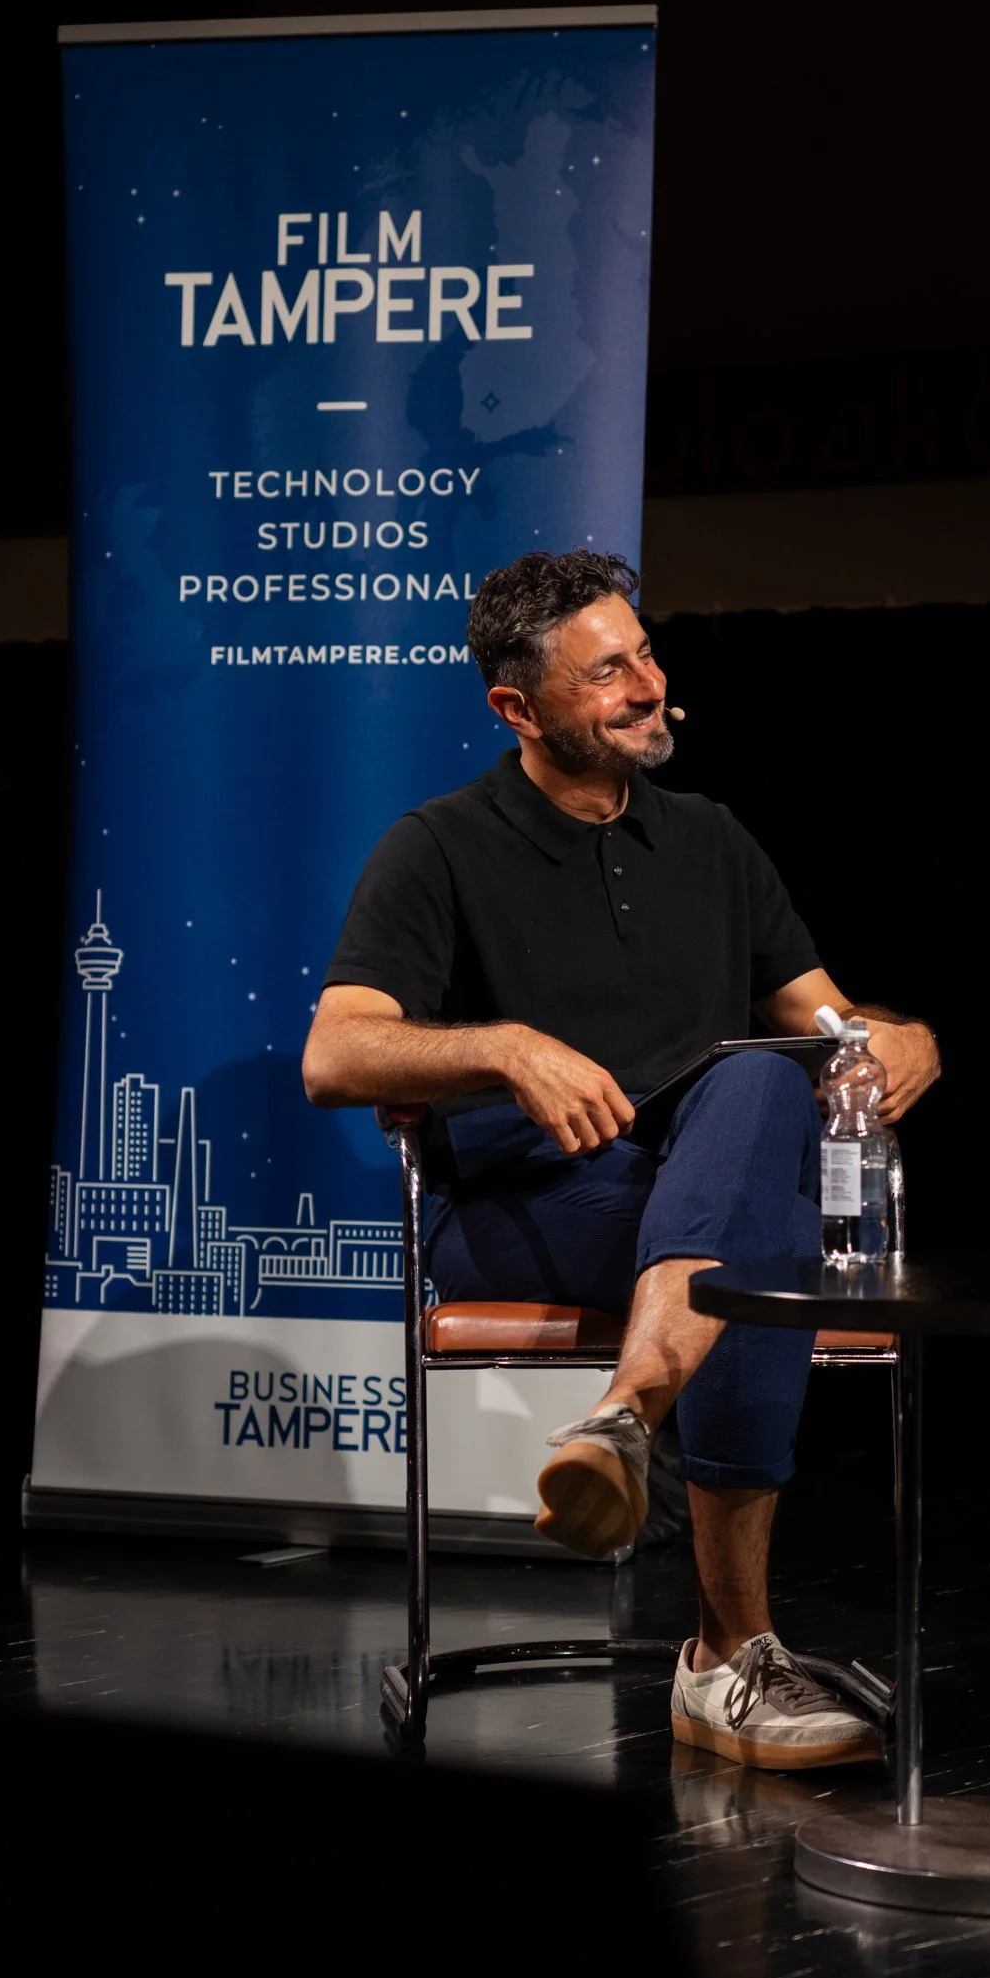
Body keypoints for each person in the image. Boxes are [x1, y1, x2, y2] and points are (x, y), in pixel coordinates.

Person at [303, 548, 940, 1770]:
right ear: (517, 705)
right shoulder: (437, 846)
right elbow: (336, 1054)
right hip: (520, 1209)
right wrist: (505, 1047)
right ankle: (729, 1655)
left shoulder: (712, 839)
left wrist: (903, 1036)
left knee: (763, 1082)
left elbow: (830, 1023)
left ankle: (628, 1411)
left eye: (644, 653)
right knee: (759, 1235)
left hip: (684, 1209)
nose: (648, 684)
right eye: (607, 672)